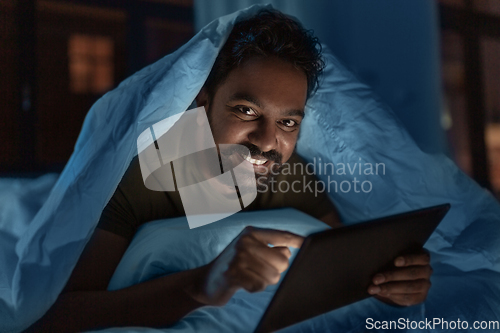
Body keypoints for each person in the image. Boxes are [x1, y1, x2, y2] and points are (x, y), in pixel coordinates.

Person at [27, 9, 432, 332]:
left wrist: (391, 284)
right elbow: (56, 318)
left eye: (288, 122)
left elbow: (342, 262)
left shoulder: (293, 175)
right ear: (202, 102)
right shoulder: (138, 178)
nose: (267, 141)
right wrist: (200, 285)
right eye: (246, 111)